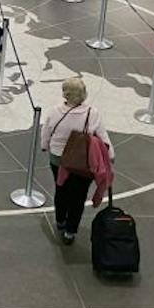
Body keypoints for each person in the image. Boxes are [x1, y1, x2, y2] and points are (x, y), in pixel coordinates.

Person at [41, 76, 114, 245]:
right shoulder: (92, 113)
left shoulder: (55, 111)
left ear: (65, 94)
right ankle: (70, 231)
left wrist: (45, 146)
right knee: (78, 196)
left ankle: (60, 220)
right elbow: (103, 136)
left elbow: (46, 132)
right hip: (82, 161)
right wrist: (110, 156)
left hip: (58, 158)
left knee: (61, 189)